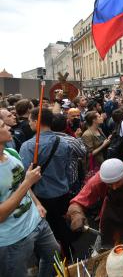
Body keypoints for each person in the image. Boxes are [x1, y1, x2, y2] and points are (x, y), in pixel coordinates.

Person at [0, 118, 60, 277]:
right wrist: (28, 182)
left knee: (54, 256)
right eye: (3, 126)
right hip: (12, 238)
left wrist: (37, 203)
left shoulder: (11, 152)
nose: (9, 128)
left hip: (36, 220)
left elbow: (20, 184)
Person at [19, 108, 75, 258]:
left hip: (40, 198)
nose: (29, 123)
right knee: (63, 228)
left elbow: (23, 177)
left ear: (37, 122)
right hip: (63, 193)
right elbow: (68, 170)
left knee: (47, 234)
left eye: (30, 120)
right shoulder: (64, 142)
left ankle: (53, 262)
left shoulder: (27, 146)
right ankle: (69, 256)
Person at [51, 113, 87, 196]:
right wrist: (78, 137)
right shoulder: (72, 140)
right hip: (70, 181)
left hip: (51, 180)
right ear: (65, 125)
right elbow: (83, 152)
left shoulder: (42, 140)